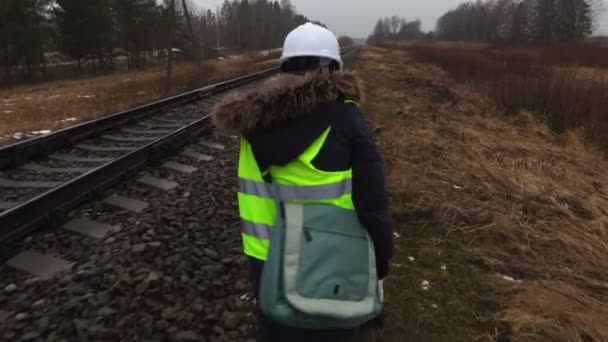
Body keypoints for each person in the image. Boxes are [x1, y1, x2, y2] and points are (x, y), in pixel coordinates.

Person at [211, 22, 393, 342]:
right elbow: (372, 200)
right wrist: (379, 262)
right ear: (334, 69)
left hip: (267, 262)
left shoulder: (251, 126)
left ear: (284, 67)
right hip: (337, 260)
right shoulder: (346, 119)